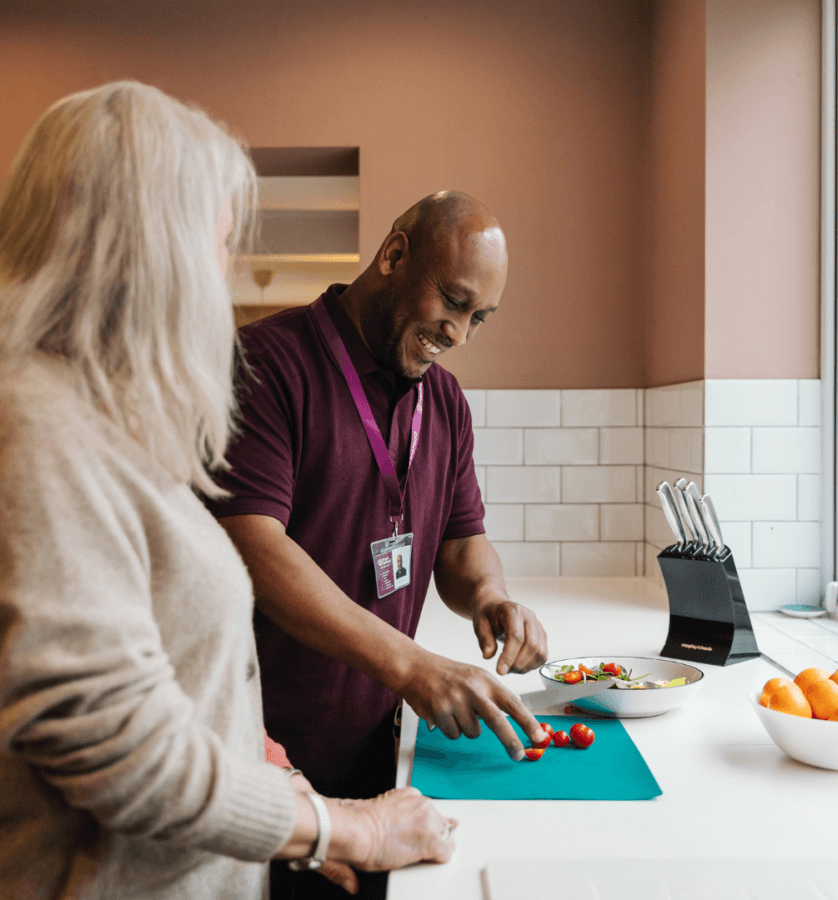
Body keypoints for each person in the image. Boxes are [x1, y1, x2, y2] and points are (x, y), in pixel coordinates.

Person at [0, 81, 455, 900]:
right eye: (218, 241)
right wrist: (348, 827)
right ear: (147, 245)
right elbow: (119, 749)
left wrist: (272, 781)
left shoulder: (87, 419)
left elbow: (165, 656)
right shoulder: (26, 428)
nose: (221, 274)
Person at [211, 192, 550, 895]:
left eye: (478, 318)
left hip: (379, 751)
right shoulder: (265, 365)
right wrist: (413, 666)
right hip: (258, 761)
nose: (457, 333)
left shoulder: (445, 401)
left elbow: (463, 545)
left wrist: (491, 596)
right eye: (452, 302)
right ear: (394, 255)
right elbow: (251, 546)